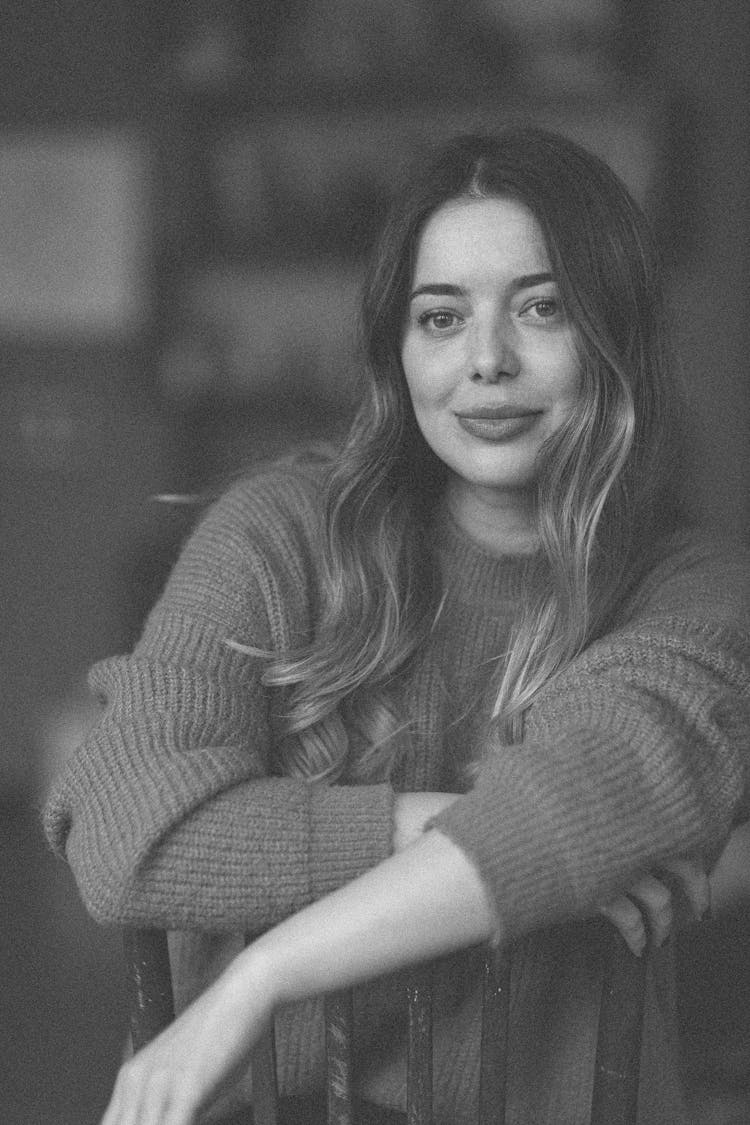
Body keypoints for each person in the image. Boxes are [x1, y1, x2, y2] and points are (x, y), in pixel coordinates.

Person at [44, 127, 750, 1125]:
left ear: (616, 333)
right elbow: (126, 838)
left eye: (543, 308)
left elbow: (576, 797)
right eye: (441, 317)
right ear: (398, 351)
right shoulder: (277, 533)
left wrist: (264, 974)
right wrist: (463, 834)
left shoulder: (696, 592)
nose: (487, 360)